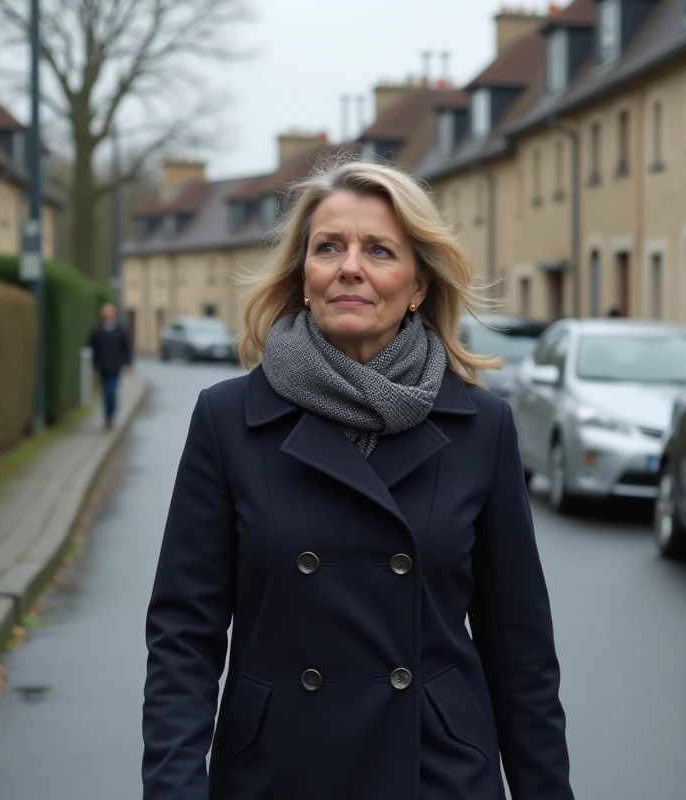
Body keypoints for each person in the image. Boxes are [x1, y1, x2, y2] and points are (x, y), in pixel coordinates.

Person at [141, 159, 574, 800]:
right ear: (304, 275)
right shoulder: (227, 420)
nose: (350, 266)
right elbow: (184, 637)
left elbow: (521, 652)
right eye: (329, 247)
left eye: (378, 249)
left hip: (435, 773)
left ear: (419, 283)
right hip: (278, 773)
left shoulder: (483, 428)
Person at [86, 302, 132, 429]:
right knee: (106, 392)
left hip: (115, 367)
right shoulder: (97, 330)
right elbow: (91, 347)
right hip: (103, 367)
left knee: (111, 391)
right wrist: (94, 364)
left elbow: (126, 347)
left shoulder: (120, 330)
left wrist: (128, 363)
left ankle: (111, 414)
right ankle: (108, 416)